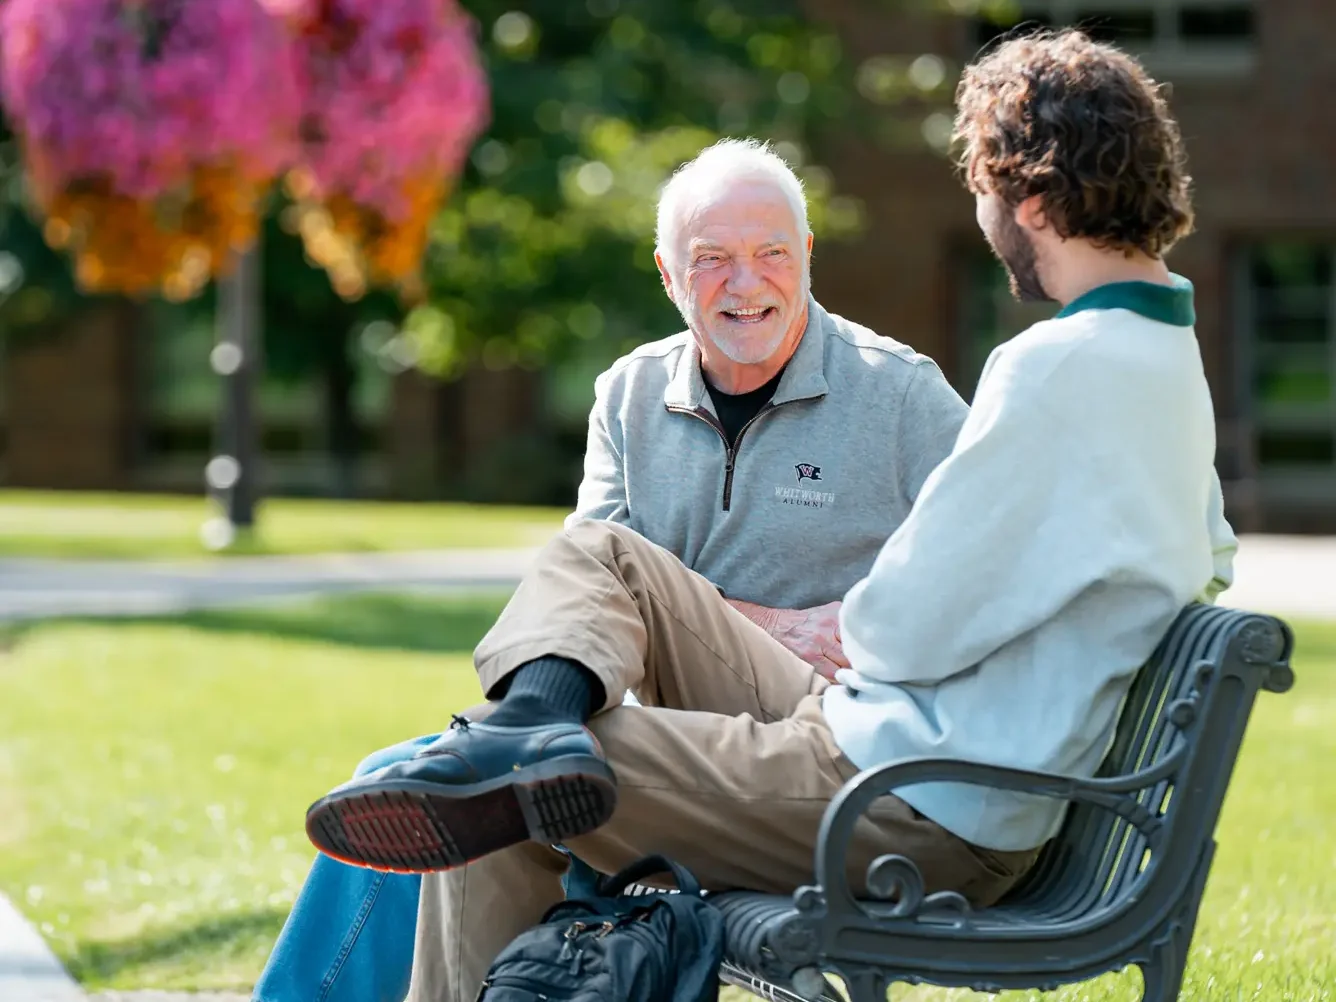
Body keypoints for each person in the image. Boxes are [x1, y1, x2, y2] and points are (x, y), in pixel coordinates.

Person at [251, 139, 967, 1002]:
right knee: (409, 778)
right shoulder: (630, 394)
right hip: (658, 727)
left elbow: (981, 585)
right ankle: (518, 741)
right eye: (712, 261)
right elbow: (583, 609)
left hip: (811, 740)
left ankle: (515, 735)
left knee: (482, 762)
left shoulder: (902, 398)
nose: (747, 284)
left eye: (772, 253)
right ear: (668, 276)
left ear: (807, 257)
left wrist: (863, 631)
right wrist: (774, 621)